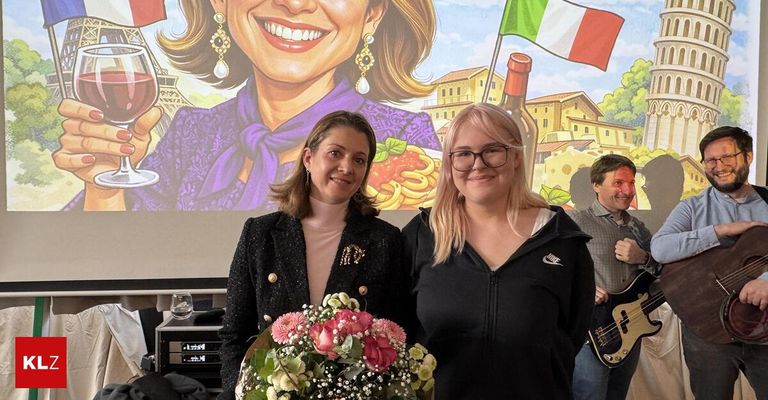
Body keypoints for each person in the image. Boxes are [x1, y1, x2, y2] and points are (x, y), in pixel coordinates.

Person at [53, 0, 440, 211]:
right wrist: (103, 190)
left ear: (372, 14)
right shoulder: (191, 132)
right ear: (219, 2)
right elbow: (118, 267)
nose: (295, 3)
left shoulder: (405, 141)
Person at [402, 103, 595, 399]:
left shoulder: (563, 242)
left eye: (492, 150)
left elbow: (572, 333)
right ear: (449, 165)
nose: (478, 164)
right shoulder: (421, 235)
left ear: (516, 157)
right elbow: (399, 333)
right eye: (464, 154)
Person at [218, 111, 407, 400]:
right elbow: (234, 334)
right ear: (308, 158)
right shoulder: (260, 233)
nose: (346, 167)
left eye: (359, 159)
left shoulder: (384, 239)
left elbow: (396, 333)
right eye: (335, 153)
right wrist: (243, 392)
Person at [651, 126, 768, 399]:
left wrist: (765, 281)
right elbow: (660, 248)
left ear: (748, 156)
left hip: (765, 332)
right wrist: (719, 231)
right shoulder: (690, 208)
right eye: (711, 160)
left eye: (727, 157)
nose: (719, 166)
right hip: (706, 330)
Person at [569, 155, 661, 400]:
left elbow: (662, 271)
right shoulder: (575, 222)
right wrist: (583, 289)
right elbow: (551, 270)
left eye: (631, 183)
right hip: (591, 330)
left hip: (631, 328)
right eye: (619, 183)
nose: (628, 190)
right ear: (596, 185)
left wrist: (642, 257)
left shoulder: (638, 228)